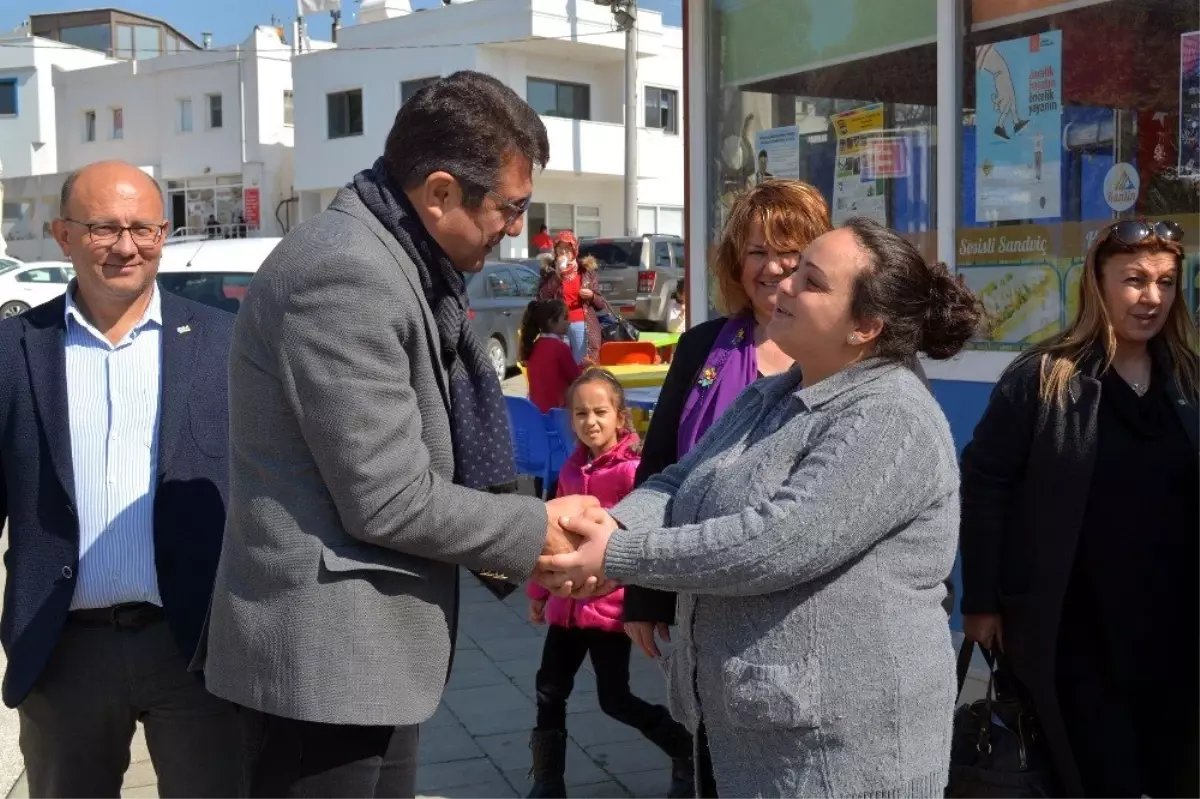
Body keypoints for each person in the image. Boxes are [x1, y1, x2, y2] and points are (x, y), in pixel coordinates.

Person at [197, 71, 598, 797]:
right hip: (323, 668)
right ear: (440, 192)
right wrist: (535, 525)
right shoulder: (347, 272)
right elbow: (387, 496)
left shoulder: (399, 260)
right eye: (511, 208)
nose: (517, 229)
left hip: (365, 660)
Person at [543, 218, 983, 796]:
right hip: (760, 729)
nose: (785, 283)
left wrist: (619, 551)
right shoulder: (775, 392)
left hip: (844, 753)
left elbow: (774, 542)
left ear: (866, 326)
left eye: (812, 280)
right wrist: (612, 521)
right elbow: (681, 480)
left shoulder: (889, 412)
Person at [0, 160, 242, 798]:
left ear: (164, 233)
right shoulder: (14, 348)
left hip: (194, 648)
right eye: (104, 228)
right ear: (63, 235)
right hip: (63, 653)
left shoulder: (225, 343)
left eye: (144, 229)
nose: (127, 247)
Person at [960, 219, 1200, 799]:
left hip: (1176, 632)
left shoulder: (1189, 382)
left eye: (1166, 283)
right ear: (1097, 283)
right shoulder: (1045, 380)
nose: (1153, 298)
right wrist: (983, 601)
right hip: (1076, 631)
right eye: (1135, 280)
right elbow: (986, 485)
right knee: (1099, 776)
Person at [622, 179, 831, 663]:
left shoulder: (836, 353)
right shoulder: (701, 347)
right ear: (737, 261)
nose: (774, 267)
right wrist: (644, 591)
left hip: (805, 593)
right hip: (702, 588)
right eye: (757, 251)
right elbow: (659, 466)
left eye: (791, 252)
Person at [526, 369, 693, 799]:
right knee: (549, 690)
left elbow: (638, 539)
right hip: (566, 609)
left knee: (614, 699)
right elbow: (553, 541)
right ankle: (547, 784)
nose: (590, 421)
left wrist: (641, 600)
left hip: (607, 610)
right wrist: (539, 593)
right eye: (580, 413)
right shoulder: (569, 469)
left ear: (621, 417)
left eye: (600, 412)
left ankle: (682, 748)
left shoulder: (632, 472)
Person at [538, 230, 604, 363]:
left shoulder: (585, 272)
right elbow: (541, 297)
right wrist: (557, 276)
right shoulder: (549, 271)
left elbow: (601, 304)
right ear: (555, 251)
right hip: (558, 324)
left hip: (582, 323)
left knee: (581, 363)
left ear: (574, 250)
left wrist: (591, 296)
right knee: (561, 363)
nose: (563, 253)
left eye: (567, 249)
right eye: (560, 249)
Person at [521, 298, 581, 413]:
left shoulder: (535, 345)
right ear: (551, 322)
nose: (568, 322)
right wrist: (586, 366)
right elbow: (576, 378)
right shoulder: (560, 347)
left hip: (537, 412)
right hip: (558, 412)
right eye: (564, 318)